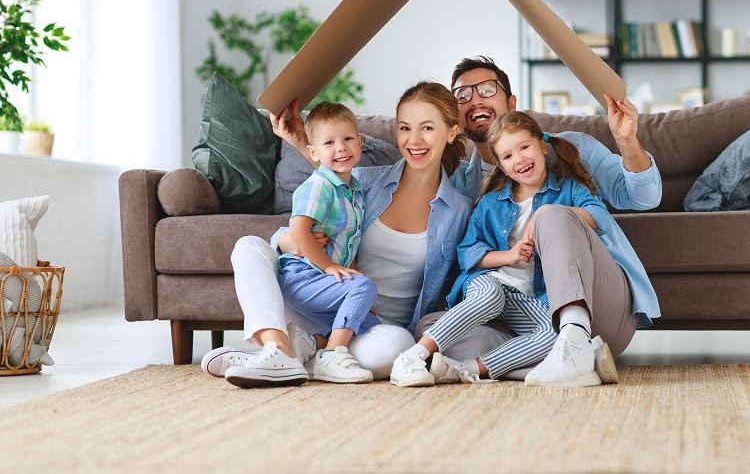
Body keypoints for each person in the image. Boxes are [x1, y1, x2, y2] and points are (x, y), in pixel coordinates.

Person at [201, 82, 471, 386]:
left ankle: (295, 353)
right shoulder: (366, 181)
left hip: (372, 330)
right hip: (319, 302)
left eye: (427, 128)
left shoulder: (459, 210)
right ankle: (279, 347)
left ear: (451, 132)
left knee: (397, 347)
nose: (414, 140)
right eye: (406, 128)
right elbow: (327, 180)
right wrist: (289, 241)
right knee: (249, 246)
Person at [416, 55, 662, 386]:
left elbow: (643, 198)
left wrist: (628, 140)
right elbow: (457, 254)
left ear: (511, 101)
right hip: (521, 316)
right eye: (462, 96)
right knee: (433, 331)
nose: (475, 100)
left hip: (598, 307)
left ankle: (574, 338)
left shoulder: (572, 151)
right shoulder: (461, 183)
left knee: (553, 215)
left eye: (487, 89)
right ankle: (543, 362)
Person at [392, 111, 615, 387]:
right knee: (484, 299)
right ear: (501, 166)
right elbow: (468, 253)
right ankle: (414, 355)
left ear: (543, 147)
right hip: (491, 285)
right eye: (508, 156)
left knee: (556, 334)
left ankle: (468, 369)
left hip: (530, 298)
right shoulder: (491, 203)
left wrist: (550, 211)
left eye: (524, 147)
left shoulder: (568, 189)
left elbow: (600, 217)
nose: (519, 159)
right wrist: (509, 256)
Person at [234, 102, 374, 386]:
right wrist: (329, 266)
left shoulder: (356, 192)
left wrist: (349, 279)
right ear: (313, 152)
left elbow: (351, 244)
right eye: (329, 142)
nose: (341, 148)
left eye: (348, 139)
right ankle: (332, 355)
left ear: (360, 143)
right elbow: (298, 231)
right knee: (366, 286)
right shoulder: (320, 185)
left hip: (323, 281)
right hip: (303, 276)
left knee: (372, 324)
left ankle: (308, 343)